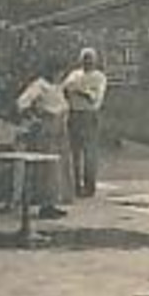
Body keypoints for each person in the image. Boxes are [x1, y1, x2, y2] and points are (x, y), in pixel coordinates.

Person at [15, 64, 70, 219]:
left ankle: (52, 203)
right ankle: (44, 205)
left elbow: (63, 107)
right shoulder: (39, 85)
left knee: (57, 168)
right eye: (58, 71)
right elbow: (22, 103)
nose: (60, 75)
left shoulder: (57, 87)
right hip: (47, 130)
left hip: (59, 130)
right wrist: (35, 118)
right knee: (47, 169)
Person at [61, 47, 108, 198]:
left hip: (89, 115)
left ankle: (89, 186)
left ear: (95, 61)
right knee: (74, 152)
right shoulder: (74, 74)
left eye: (90, 58)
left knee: (89, 153)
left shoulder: (99, 77)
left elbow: (94, 97)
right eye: (85, 58)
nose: (87, 61)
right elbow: (65, 88)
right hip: (74, 114)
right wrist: (78, 91)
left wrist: (80, 90)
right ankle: (75, 185)